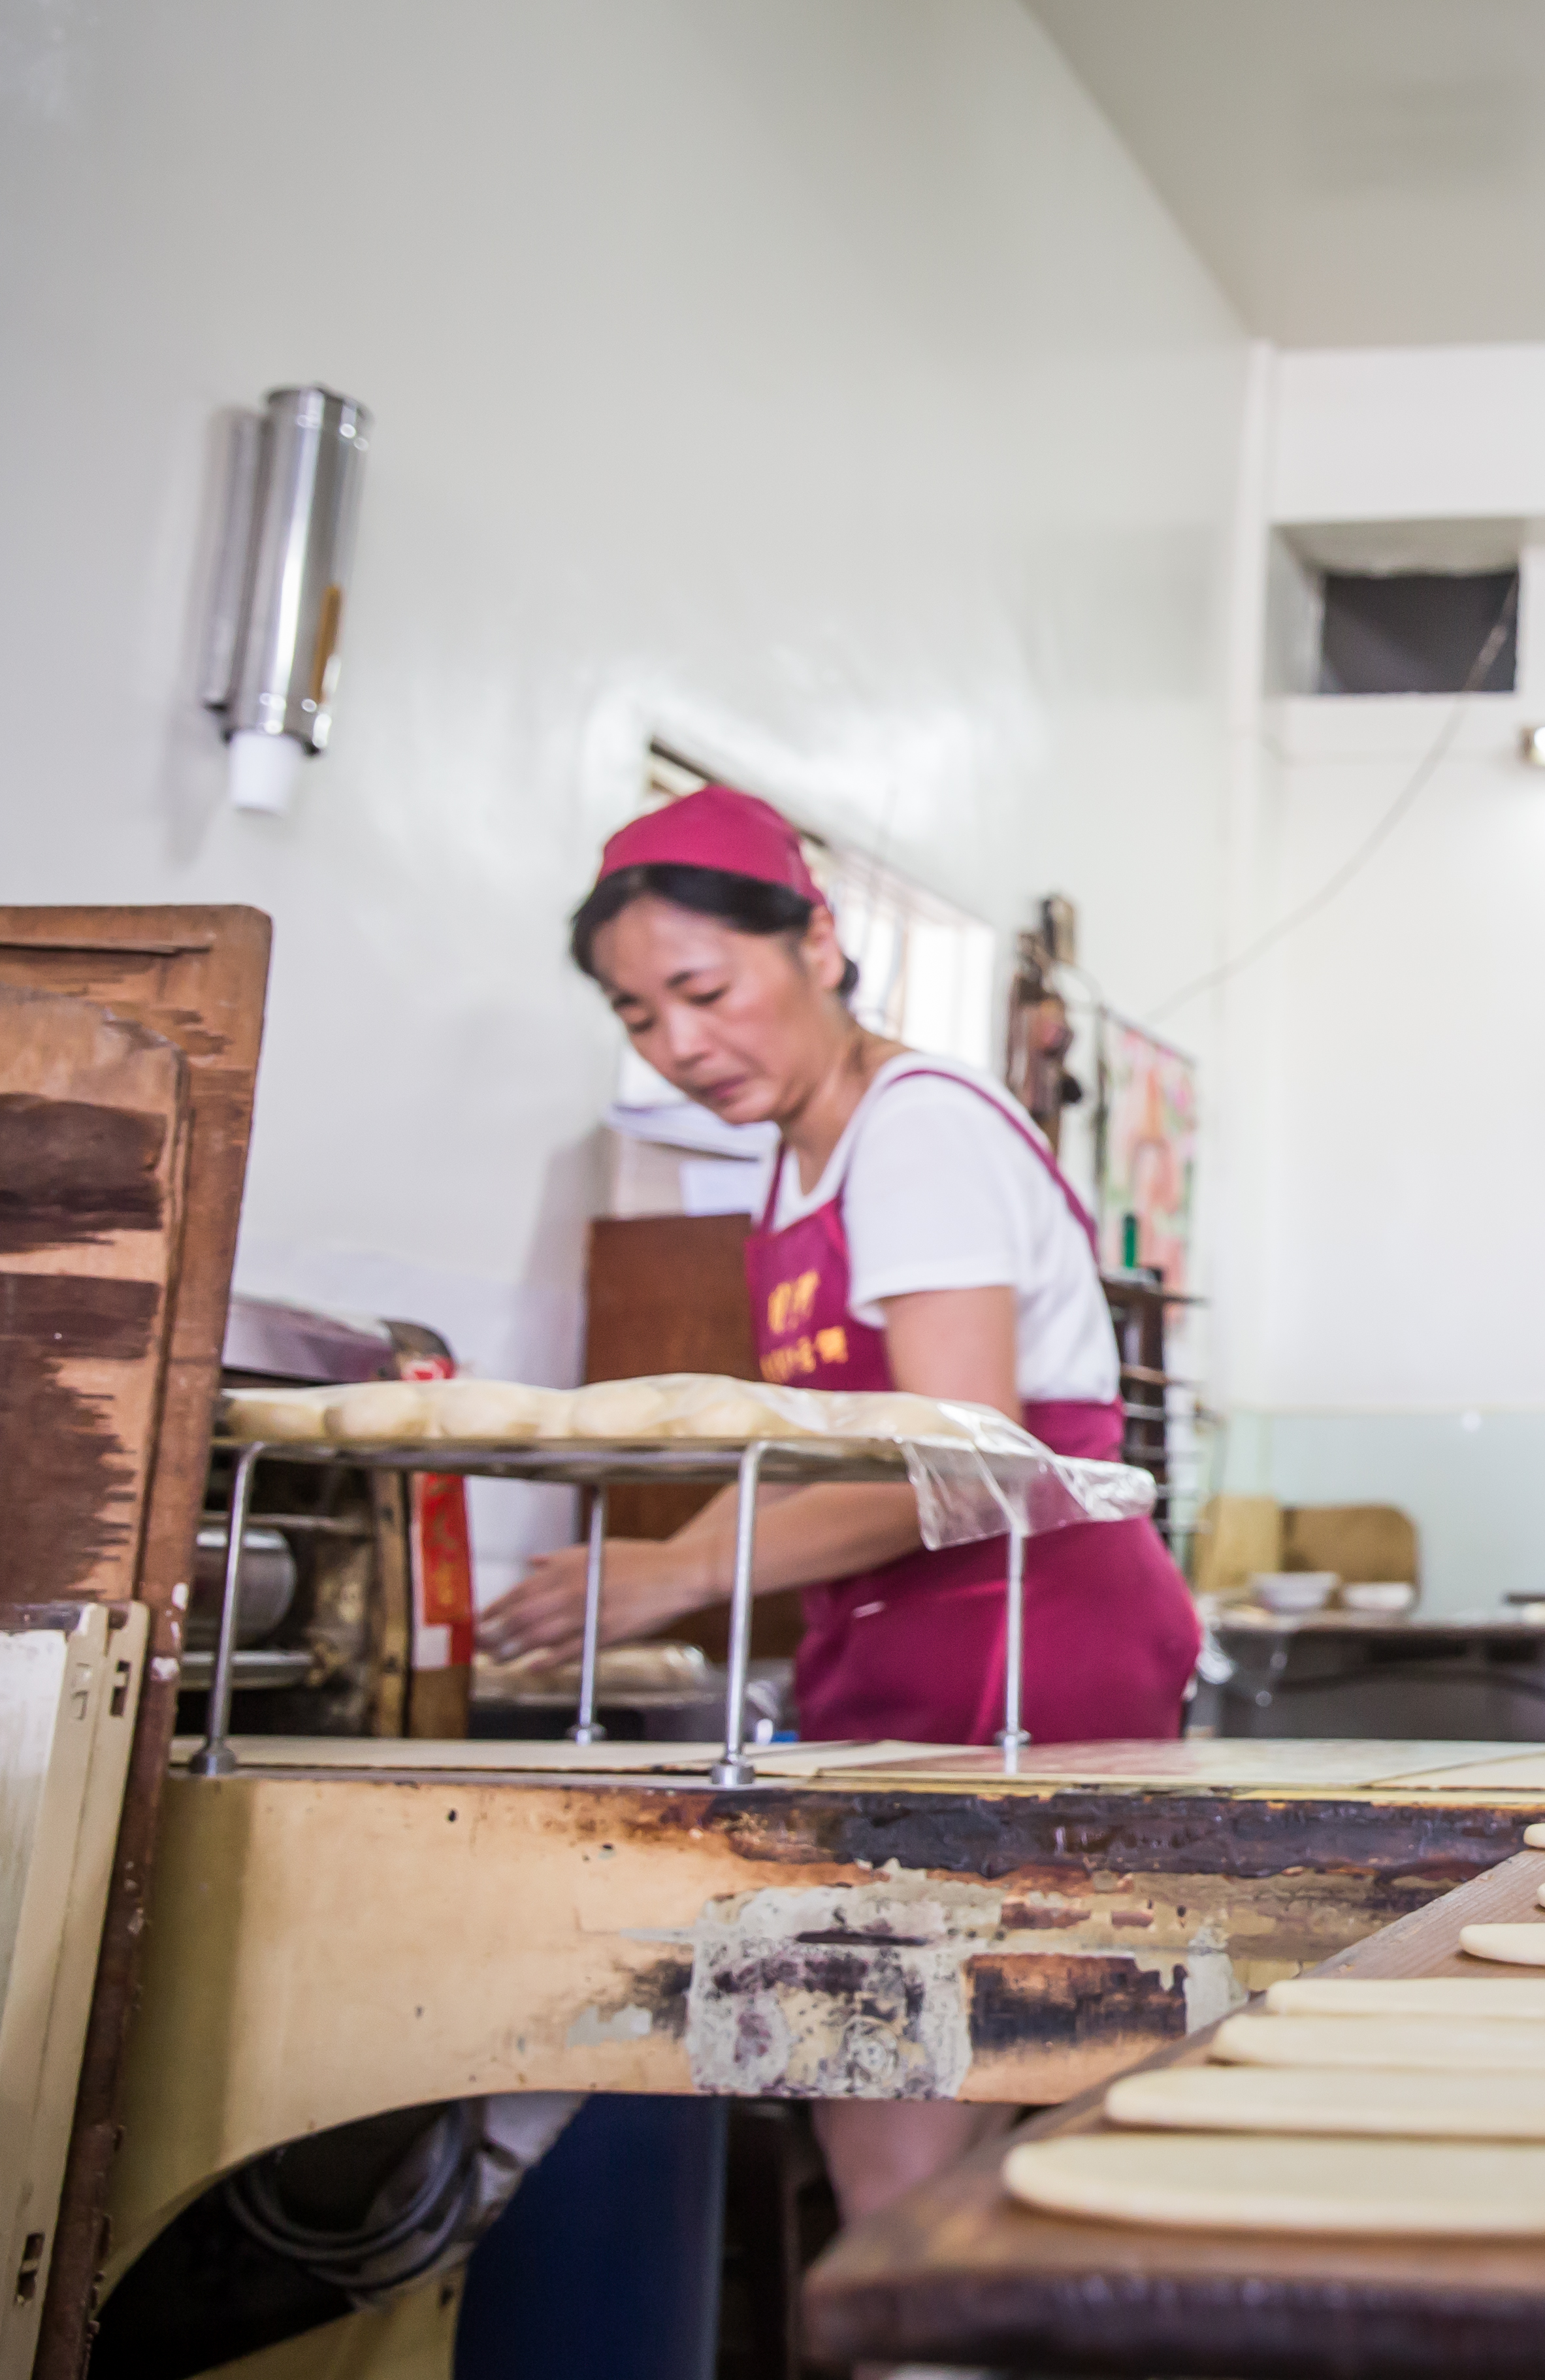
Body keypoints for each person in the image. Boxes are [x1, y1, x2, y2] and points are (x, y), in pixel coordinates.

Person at [478, 783, 1201, 2219]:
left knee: (922, 2133)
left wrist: (683, 1571)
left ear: (816, 942)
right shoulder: (800, 1159)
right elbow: (846, 1461)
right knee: (907, 2124)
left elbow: (968, 1454)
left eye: (704, 991)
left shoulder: (915, 1128)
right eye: (637, 1016)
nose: (681, 1044)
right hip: (907, 1656)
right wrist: (673, 1566)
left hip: (1025, 1654)